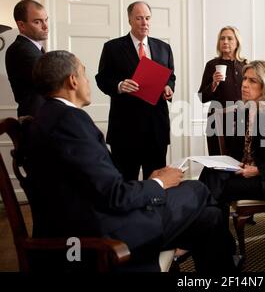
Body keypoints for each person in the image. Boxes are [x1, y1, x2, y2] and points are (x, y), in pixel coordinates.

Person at [23, 50, 236, 273]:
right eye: (85, 75)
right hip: (104, 232)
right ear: (72, 81)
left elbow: (96, 183)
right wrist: (158, 184)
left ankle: (223, 262)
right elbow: (116, 195)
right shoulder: (70, 120)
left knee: (208, 217)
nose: (88, 82)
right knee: (197, 189)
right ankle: (224, 260)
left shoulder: (47, 116)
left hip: (87, 217)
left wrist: (152, 180)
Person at [199, 60, 265, 250]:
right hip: (247, 170)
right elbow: (243, 150)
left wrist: (257, 170)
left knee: (214, 189)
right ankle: (216, 242)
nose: (245, 84)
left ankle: (217, 244)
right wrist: (228, 163)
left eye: (252, 81)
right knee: (209, 173)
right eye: (245, 79)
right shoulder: (247, 110)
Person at [95, 1, 175, 180]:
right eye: (139, 18)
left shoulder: (164, 48)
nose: (144, 23)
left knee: (156, 181)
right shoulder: (112, 47)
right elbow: (102, 79)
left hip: (156, 128)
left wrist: (169, 87)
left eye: (147, 18)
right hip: (125, 128)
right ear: (130, 20)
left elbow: (171, 76)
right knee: (125, 180)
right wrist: (119, 85)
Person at [197, 26, 247, 155]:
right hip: (217, 121)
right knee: (218, 161)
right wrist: (214, 84)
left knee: (239, 159)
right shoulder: (211, 65)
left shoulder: (246, 65)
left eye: (230, 38)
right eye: (222, 38)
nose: (225, 41)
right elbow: (202, 97)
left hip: (241, 120)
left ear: (237, 43)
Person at [5, 0, 48, 117]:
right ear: (21, 25)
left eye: (46, 20)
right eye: (38, 22)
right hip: (36, 119)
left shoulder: (32, 47)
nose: (45, 26)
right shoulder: (22, 49)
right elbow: (53, 80)